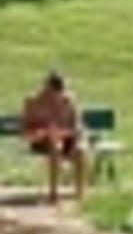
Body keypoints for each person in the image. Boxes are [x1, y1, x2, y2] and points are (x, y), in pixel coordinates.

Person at [21, 70, 86, 204]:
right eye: (52, 93)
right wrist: (40, 133)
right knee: (56, 147)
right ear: (46, 88)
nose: (56, 98)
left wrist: (67, 133)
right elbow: (25, 131)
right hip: (42, 141)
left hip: (66, 138)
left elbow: (78, 127)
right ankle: (53, 193)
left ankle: (80, 192)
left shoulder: (69, 101)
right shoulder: (33, 102)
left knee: (81, 150)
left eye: (59, 93)